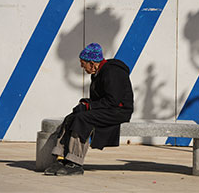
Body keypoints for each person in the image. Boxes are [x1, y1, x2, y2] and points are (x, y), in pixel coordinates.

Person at [44, 43, 134, 176]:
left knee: (82, 119)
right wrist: (87, 104)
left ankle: (75, 163)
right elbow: (101, 100)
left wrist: (89, 106)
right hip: (108, 108)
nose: (81, 67)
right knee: (72, 117)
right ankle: (61, 158)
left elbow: (113, 101)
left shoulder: (112, 72)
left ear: (92, 63)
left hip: (119, 112)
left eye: (83, 63)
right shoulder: (97, 73)